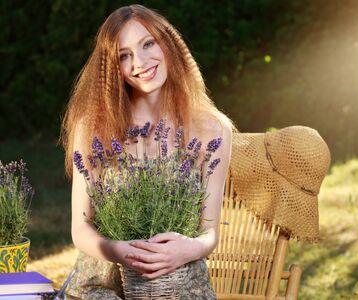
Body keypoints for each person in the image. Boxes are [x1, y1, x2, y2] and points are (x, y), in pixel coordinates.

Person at [60, 4, 235, 298]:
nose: (139, 62)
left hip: (178, 286)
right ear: (112, 67)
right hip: (101, 285)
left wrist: (186, 248)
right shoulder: (92, 127)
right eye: (124, 55)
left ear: (167, 43)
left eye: (148, 44)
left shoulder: (214, 130)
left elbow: (209, 233)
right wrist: (117, 250)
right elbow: (80, 228)